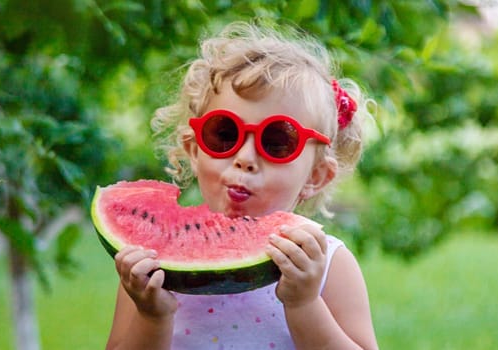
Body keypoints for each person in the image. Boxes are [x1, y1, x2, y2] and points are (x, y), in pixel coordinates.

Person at [106, 21, 378, 350]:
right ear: (194, 150)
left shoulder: (328, 266)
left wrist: (304, 305)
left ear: (315, 176)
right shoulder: (152, 261)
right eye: (224, 134)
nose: (245, 158)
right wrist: (151, 317)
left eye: (277, 142)